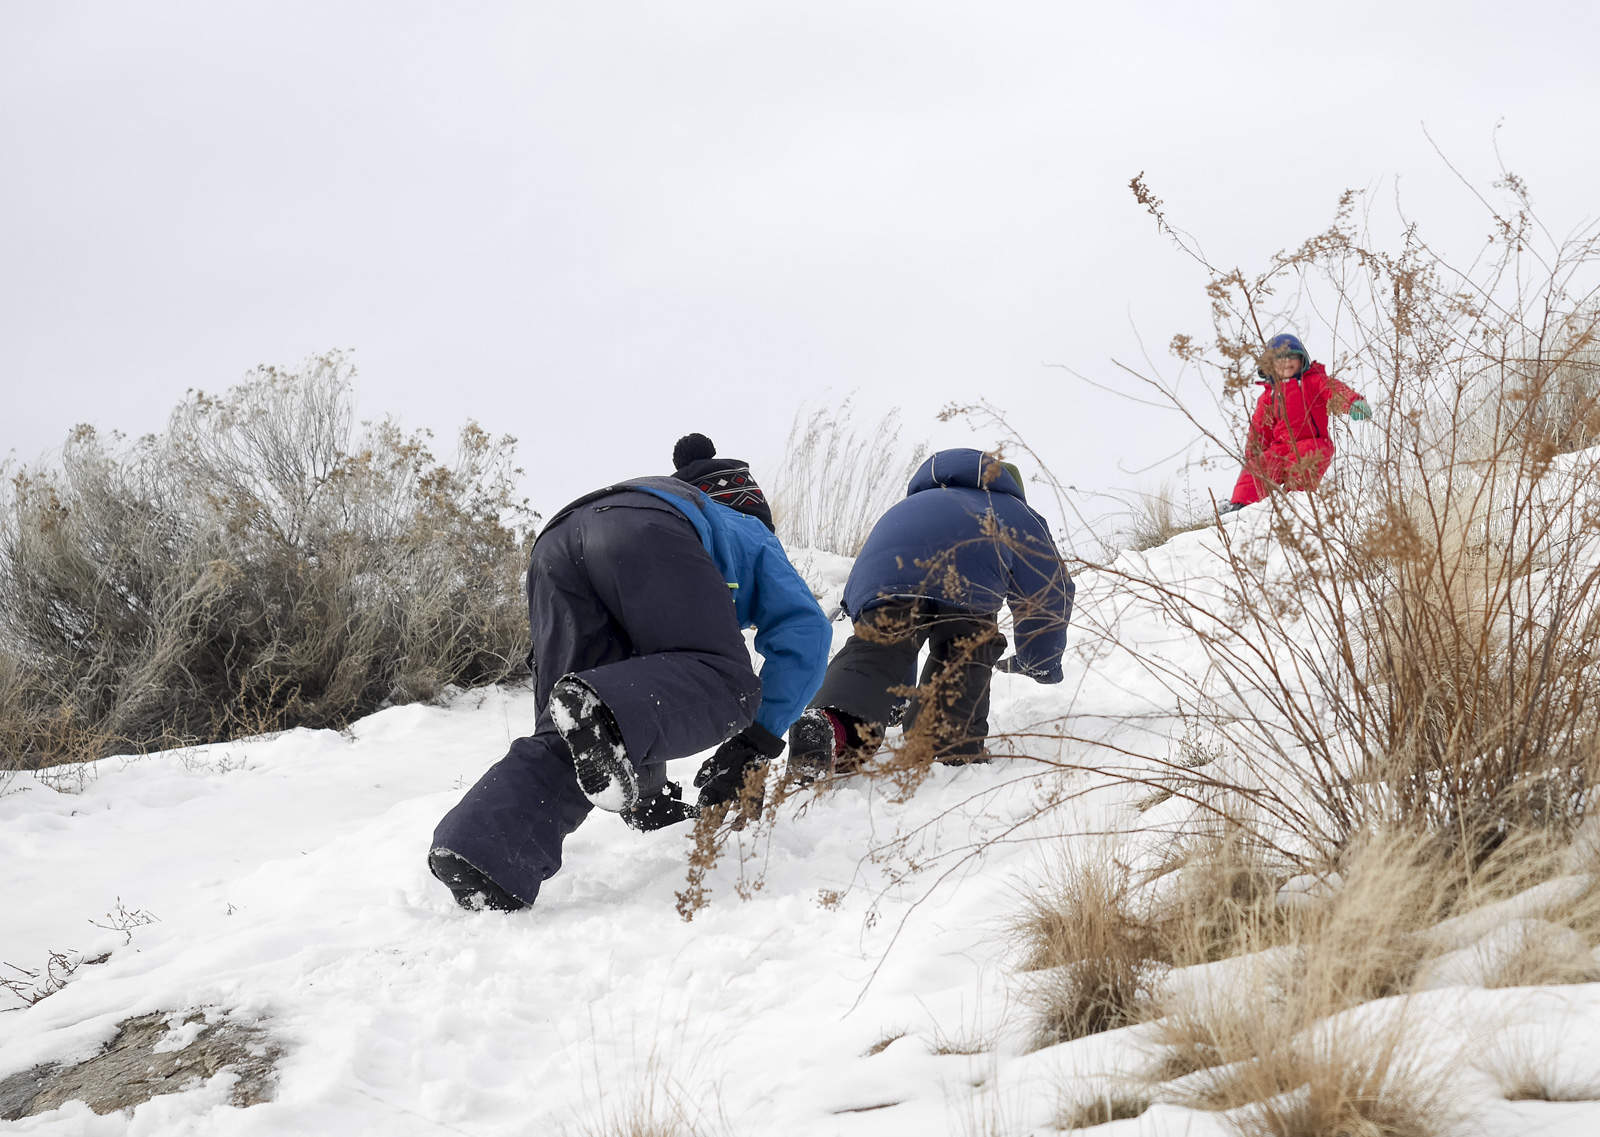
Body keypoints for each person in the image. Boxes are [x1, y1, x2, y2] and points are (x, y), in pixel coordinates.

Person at [428, 433, 831, 911]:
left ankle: (483, 853)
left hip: (555, 544)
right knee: (728, 682)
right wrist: (756, 741)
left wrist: (646, 795)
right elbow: (807, 631)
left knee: (572, 728)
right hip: (646, 531)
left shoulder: (659, 509)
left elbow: (646, 692)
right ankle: (495, 842)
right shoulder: (746, 527)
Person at [786, 448, 1073, 775]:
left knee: (879, 646)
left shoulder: (906, 507)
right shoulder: (1015, 510)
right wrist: (1040, 663)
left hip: (880, 580)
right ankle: (943, 743)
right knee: (965, 645)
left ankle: (829, 726)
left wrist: (895, 701)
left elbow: (869, 595)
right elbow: (1048, 593)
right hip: (967, 578)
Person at [1220, 333, 1371, 513]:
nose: (1287, 362)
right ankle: (1241, 507)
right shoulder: (1269, 395)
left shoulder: (1313, 381)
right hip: (1281, 447)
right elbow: (1260, 427)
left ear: (1302, 359)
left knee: (1302, 462)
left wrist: (1353, 403)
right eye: (1279, 358)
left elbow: (1334, 390)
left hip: (1313, 442)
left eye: (1292, 356)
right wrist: (1254, 452)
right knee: (1256, 468)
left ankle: (1296, 501)